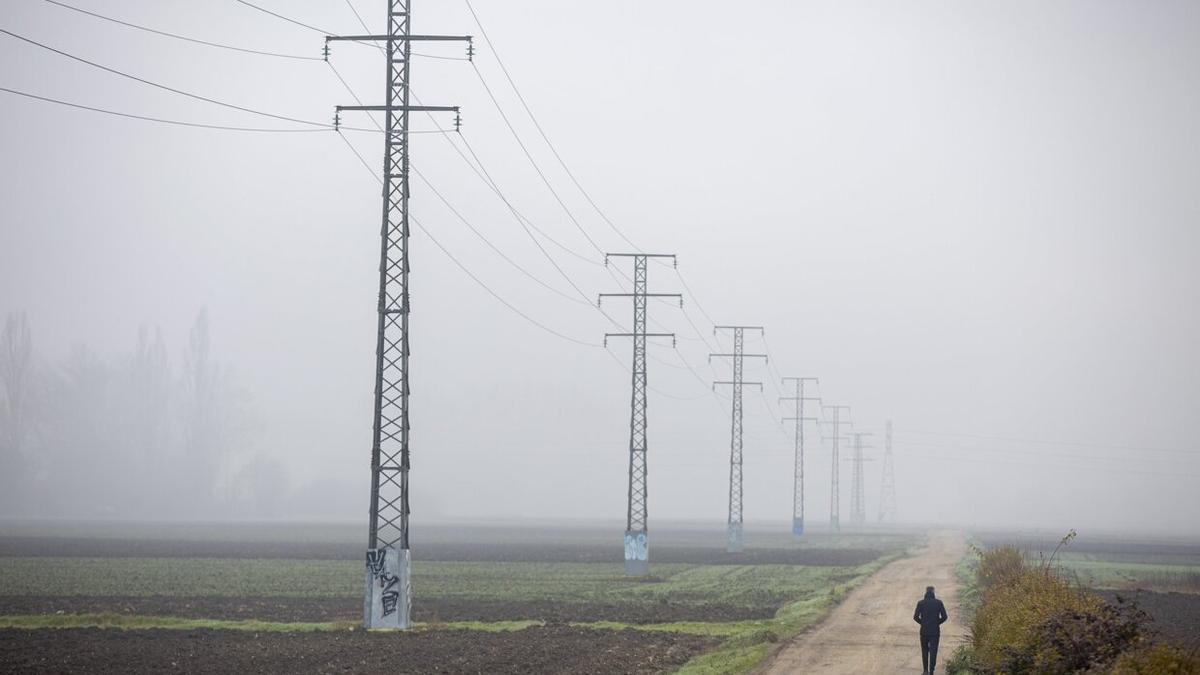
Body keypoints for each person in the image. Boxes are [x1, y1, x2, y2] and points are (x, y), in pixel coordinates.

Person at [913, 585, 948, 674]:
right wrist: (937, 622)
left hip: (924, 631)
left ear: (926, 591)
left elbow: (915, 617)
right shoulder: (938, 603)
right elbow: (944, 617)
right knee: (933, 651)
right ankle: (931, 671)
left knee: (924, 651)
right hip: (935, 632)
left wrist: (923, 623)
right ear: (933, 592)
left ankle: (925, 670)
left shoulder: (921, 603)